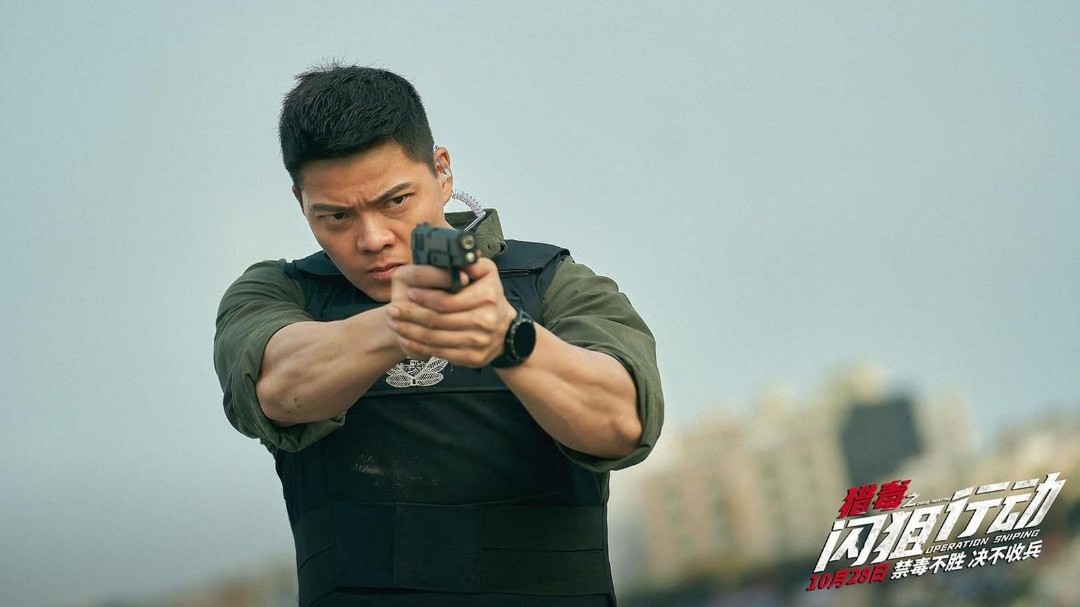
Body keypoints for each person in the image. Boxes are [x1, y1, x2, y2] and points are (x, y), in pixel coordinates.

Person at [213, 64, 663, 607]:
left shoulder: (553, 284)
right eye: (335, 216)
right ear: (300, 203)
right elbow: (276, 386)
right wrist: (405, 321)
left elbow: (623, 424)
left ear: (442, 171)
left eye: (395, 201)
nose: (372, 238)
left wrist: (510, 339)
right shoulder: (279, 293)